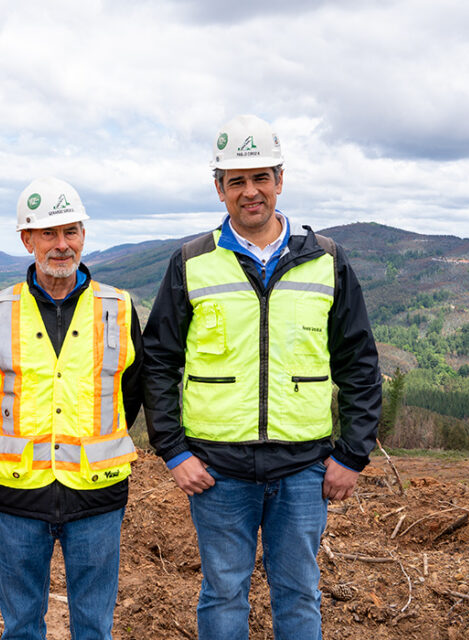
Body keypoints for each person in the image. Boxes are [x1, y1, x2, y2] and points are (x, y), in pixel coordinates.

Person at [142, 115, 381, 639]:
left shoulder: (326, 261)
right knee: (223, 592)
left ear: (279, 179)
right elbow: (158, 360)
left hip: (303, 469)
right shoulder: (191, 262)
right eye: (236, 181)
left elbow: (359, 363)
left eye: (260, 178)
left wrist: (352, 454)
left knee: (298, 593)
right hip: (216, 469)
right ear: (219, 189)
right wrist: (174, 452)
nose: (250, 192)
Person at [0, 177, 143, 640]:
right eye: (48, 233)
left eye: (71, 232)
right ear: (27, 239)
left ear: (84, 235)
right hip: (18, 494)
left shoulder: (119, 308)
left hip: (97, 494)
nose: (62, 245)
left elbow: (133, 391)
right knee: (23, 625)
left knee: (94, 626)